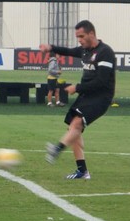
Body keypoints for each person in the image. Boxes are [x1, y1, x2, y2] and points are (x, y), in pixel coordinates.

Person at [39, 20, 116, 180]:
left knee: (76, 125)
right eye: (77, 37)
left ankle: (57, 149)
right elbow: (68, 51)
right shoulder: (85, 51)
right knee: (74, 131)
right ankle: (82, 171)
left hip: (101, 97)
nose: (79, 40)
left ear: (91, 34)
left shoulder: (105, 52)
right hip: (86, 95)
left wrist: (77, 88)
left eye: (81, 36)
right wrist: (51, 47)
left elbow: (101, 81)